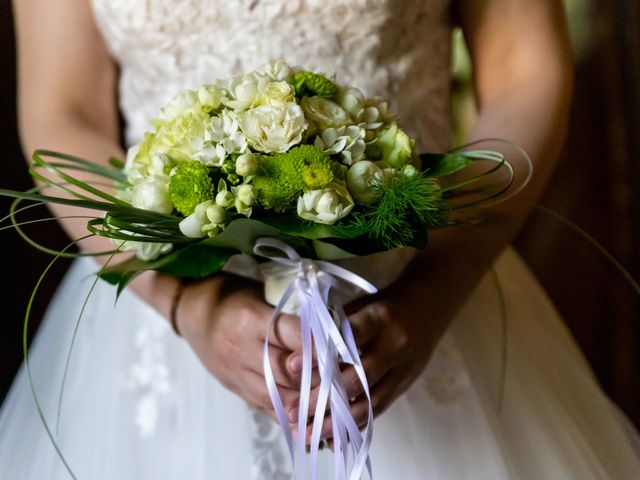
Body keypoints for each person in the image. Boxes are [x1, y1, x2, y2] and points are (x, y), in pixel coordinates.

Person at [1, 0, 639, 478]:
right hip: (155, 316)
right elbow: (65, 113)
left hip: (417, 295)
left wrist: (435, 292)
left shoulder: (432, 293)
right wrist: (188, 306)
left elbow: (525, 68)